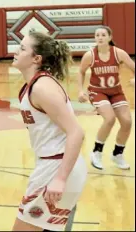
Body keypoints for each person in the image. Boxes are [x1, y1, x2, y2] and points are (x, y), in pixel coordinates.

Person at [12, 31, 87, 232]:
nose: (15, 51)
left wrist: (60, 179)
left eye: (22, 48)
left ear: (36, 59)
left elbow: (76, 132)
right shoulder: (34, 85)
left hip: (57, 167)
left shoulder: (42, 87)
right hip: (54, 165)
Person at [78, 26, 135, 170]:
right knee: (110, 119)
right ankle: (96, 152)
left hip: (116, 91)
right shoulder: (90, 55)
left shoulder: (118, 53)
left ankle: (117, 154)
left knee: (127, 122)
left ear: (109, 37)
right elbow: (81, 72)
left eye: (103, 35)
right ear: (95, 38)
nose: (100, 37)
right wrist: (80, 91)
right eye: (97, 35)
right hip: (97, 91)